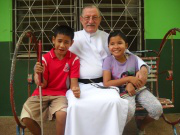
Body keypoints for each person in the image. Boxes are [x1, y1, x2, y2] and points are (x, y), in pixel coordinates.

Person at [65, 5, 150, 135]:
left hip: (104, 85)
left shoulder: (107, 38)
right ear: (81, 19)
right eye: (87, 17)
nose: (91, 21)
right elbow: (58, 54)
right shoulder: (73, 39)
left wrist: (143, 68)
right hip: (80, 86)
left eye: (94, 17)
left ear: (100, 19)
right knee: (75, 106)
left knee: (114, 102)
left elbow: (128, 54)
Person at [20, 25, 80, 135]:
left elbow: (73, 83)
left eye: (66, 42)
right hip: (41, 93)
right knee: (25, 117)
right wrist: (37, 74)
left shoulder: (74, 59)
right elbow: (42, 84)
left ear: (71, 43)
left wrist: (76, 89)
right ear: (53, 40)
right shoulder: (44, 58)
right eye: (59, 41)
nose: (62, 45)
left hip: (61, 94)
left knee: (62, 115)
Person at [102, 31, 163, 135]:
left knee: (157, 109)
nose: (116, 46)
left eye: (119, 43)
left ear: (126, 45)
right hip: (122, 92)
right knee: (128, 111)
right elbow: (107, 83)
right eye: (112, 44)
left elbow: (137, 76)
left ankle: (141, 125)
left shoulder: (133, 58)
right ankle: (115, 131)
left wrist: (132, 83)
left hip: (139, 89)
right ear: (108, 47)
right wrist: (129, 79)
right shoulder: (108, 61)